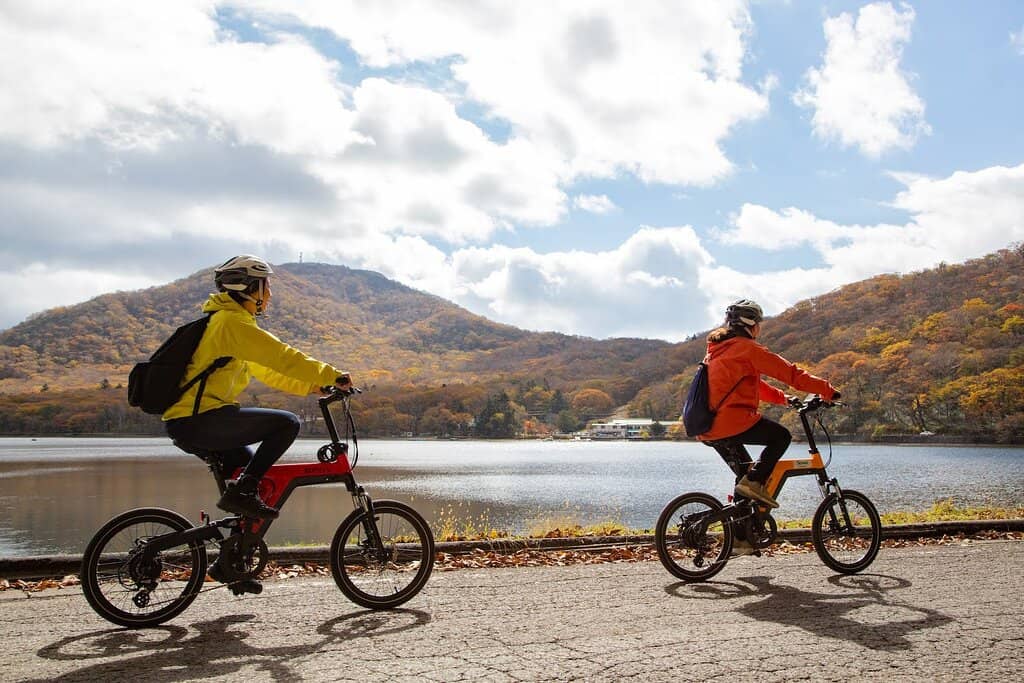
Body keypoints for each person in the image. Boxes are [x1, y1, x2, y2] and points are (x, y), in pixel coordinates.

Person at [164, 255, 353, 522]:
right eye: (267, 286)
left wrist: (313, 386)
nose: (270, 294)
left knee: (256, 484)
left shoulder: (227, 323)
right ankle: (242, 494)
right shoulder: (232, 323)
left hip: (194, 422)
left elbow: (268, 372)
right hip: (200, 421)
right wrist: (333, 375)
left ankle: (233, 558)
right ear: (251, 288)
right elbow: (283, 357)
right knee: (287, 424)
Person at [698, 299, 839, 518]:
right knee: (781, 436)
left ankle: (741, 536)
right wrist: (827, 390)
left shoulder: (717, 351)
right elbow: (791, 374)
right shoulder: (747, 349)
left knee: (744, 480)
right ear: (752, 325)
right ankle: (754, 482)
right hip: (731, 422)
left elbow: (755, 386)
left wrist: (784, 399)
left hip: (708, 426)